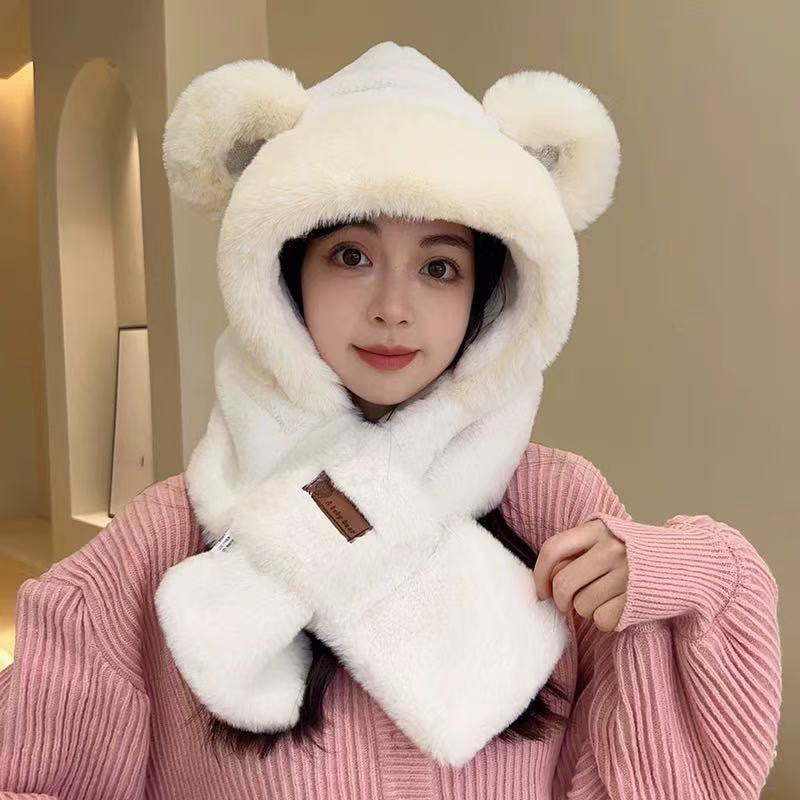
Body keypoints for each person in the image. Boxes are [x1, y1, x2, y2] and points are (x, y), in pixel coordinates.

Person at [0, 41, 781, 800]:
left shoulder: (557, 507)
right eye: (351, 255)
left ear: (487, 298)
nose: (393, 308)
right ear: (284, 272)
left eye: (440, 267)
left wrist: (678, 569)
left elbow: (675, 770)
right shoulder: (172, 533)